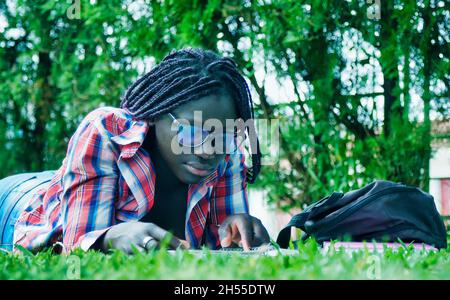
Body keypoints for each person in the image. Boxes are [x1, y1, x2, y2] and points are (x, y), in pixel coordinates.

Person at [0, 48, 270, 254]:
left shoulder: (228, 152)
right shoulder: (106, 132)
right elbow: (76, 247)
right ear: (155, 115)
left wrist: (237, 230)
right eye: (191, 131)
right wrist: (109, 238)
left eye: (223, 136)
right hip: (18, 202)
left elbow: (218, 252)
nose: (208, 150)